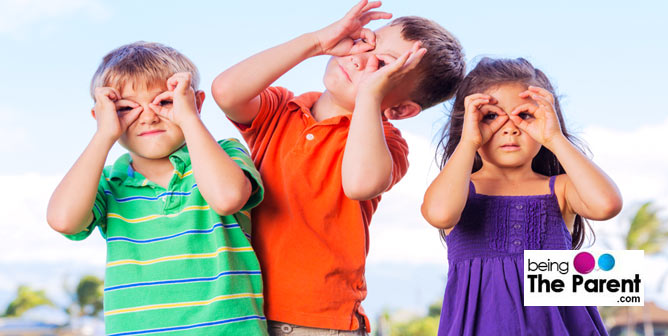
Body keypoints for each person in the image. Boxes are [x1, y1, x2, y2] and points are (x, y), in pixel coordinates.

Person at [211, 0, 465, 334]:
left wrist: (371, 96)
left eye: (381, 66)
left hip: (319, 320)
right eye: (366, 41)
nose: (359, 58)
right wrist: (316, 42)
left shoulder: (386, 142)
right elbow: (225, 92)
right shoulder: (280, 110)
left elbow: (360, 182)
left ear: (401, 110)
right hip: (243, 310)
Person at [46, 42, 267, 335]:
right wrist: (103, 135)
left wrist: (188, 118)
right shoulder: (109, 182)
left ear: (196, 103)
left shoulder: (223, 154)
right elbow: (63, 220)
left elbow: (227, 198)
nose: (148, 117)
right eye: (125, 108)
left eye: (164, 102)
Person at [421, 57, 622, 335]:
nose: (510, 127)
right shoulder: (459, 189)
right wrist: (468, 142)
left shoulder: (561, 189)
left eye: (525, 115)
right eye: (490, 116)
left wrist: (554, 137)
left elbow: (607, 205)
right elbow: (439, 214)